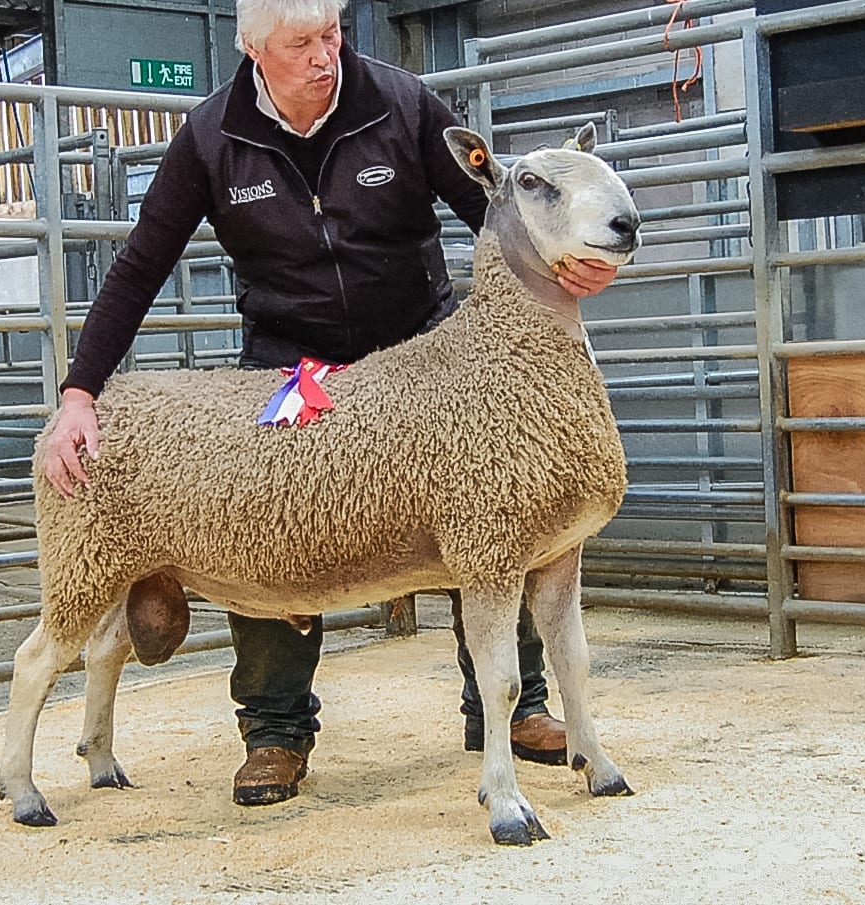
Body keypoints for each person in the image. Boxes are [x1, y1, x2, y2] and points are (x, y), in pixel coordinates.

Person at [42, 0, 618, 807]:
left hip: (421, 351)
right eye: (300, 42)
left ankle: (516, 706)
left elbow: (500, 211)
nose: (324, 56)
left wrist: (568, 268)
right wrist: (79, 392)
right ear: (252, 48)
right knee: (266, 513)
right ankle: (275, 729)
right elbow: (141, 265)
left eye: (332, 35)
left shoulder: (398, 102)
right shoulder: (213, 137)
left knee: (495, 505)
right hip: (297, 366)